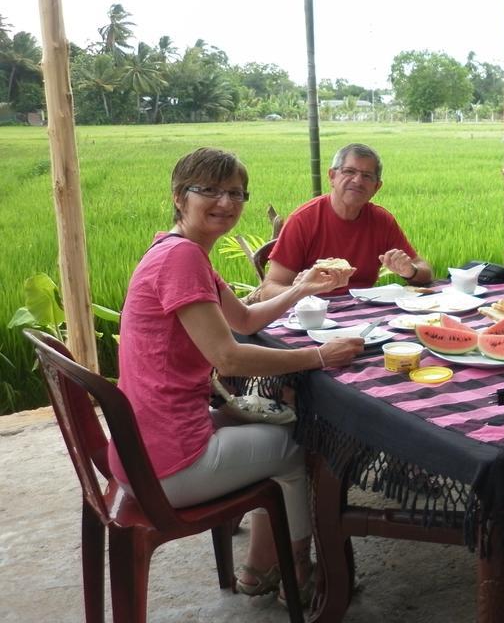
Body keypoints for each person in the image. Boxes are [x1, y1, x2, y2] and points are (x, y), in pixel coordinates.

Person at [111, 147, 364, 604]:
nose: (225, 202)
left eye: (235, 193)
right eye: (208, 190)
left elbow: (245, 321)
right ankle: (299, 573)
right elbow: (228, 357)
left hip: (141, 446)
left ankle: (261, 569)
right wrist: (320, 357)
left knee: (270, 423)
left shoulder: (178, 249)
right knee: (299, 444)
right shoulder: (182, 260)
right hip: (166, 465)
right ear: (178, 196)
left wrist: (302, 286)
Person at [261, 143, 432, 297]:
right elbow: (268, 291)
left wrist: (410, 271)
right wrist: (302, 289)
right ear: (332, 176)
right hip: (314, 316)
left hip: (364, 313)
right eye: (349, 171)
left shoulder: (381, 220)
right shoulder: (303, 220)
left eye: (367, 176)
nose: (357, 181)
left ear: (376, 187)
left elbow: (425, 271)